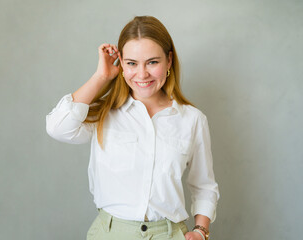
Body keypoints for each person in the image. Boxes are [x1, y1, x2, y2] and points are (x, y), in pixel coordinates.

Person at [46, 15, 219, 240]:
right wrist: (101, 77)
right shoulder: (104, 112)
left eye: (152, 62)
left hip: (170, 234)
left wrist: (201, 231)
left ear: (168, 61)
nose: (142, 74)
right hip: (110, 234)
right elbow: (57, 127)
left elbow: (204, 186)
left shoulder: (193, 120)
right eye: (132, 63)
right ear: (121, 64)